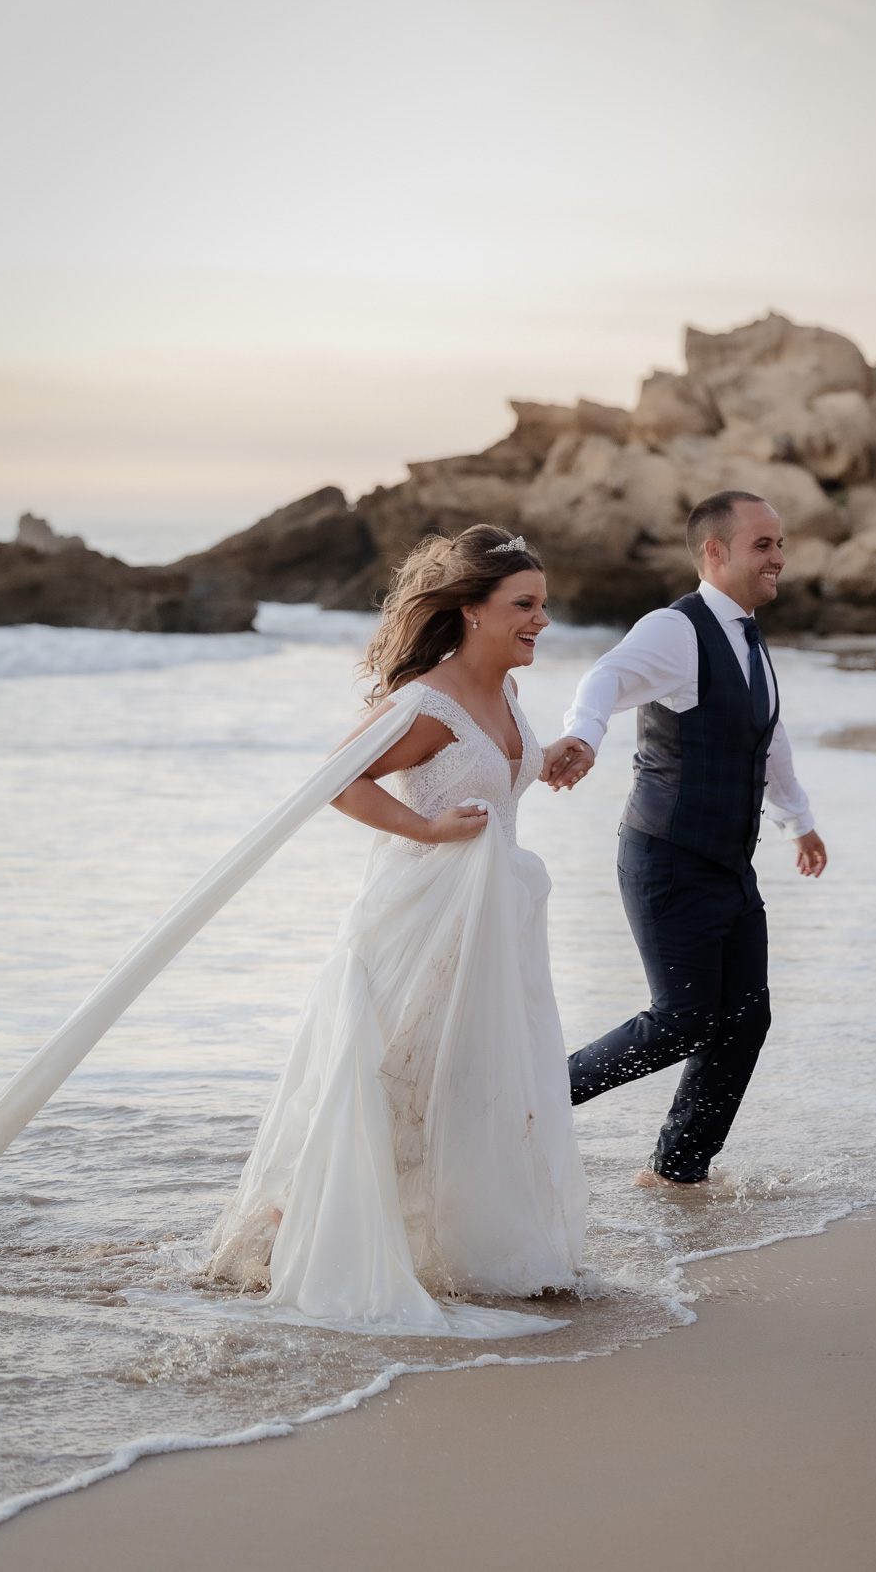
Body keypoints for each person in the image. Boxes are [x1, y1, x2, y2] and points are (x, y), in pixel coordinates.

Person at [207, 526, 587, 1333]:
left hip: (491, 926)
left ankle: (441, 1248)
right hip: (421, 922)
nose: (540, 621)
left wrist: (547, 757)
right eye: (524, 606)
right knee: (389, 1084)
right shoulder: (427, 701)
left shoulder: (508, 692)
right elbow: (336, 782)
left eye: (543, 606)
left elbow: (493, 770)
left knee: (458, 1088)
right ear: (473, 611)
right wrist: (426, 830)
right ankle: (291, 1236)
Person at [541, 490, 826, 1188]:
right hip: (667, 856)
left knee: (745, 1018)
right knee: (682, 1020)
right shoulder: (676, 629)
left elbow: (767, 737)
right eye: (763, 544)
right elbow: (605, 675)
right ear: (715, 553)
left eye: (780, 543)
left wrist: (798, 820)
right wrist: (585, 733)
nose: (779, 557)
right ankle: (528, 1100)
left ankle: (676, 1170)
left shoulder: (750, 639)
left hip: (728, 864)